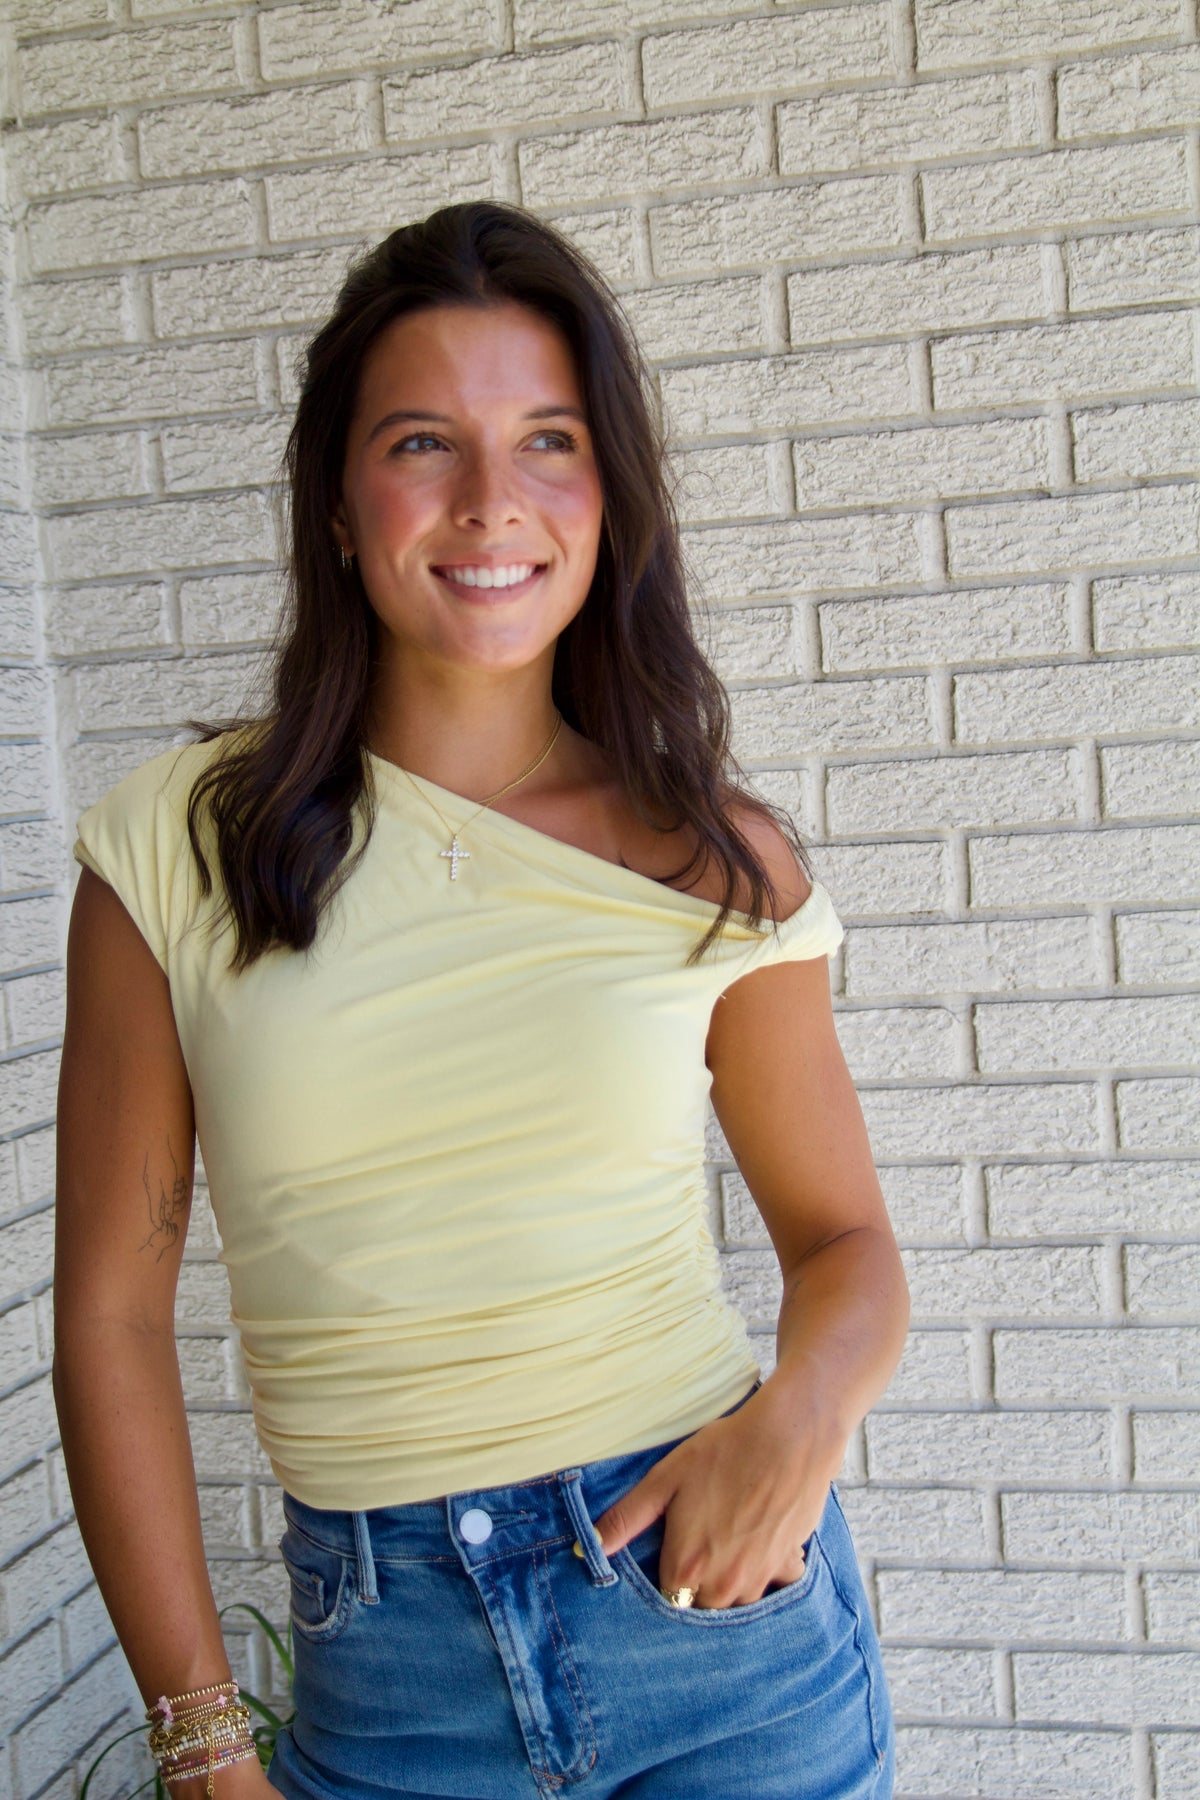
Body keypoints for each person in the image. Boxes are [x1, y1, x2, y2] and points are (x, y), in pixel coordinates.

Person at [55, 200, 909, 1800]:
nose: (491, 502)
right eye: (425, 442)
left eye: (551, 441)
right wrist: (199, 1737)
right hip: (388, 1678)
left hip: (719, 1635)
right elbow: (109, 1314)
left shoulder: (708, 858)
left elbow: (848, 1250)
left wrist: (798, 1420)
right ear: (335, 499)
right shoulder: (176, 850)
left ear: (610, 495)